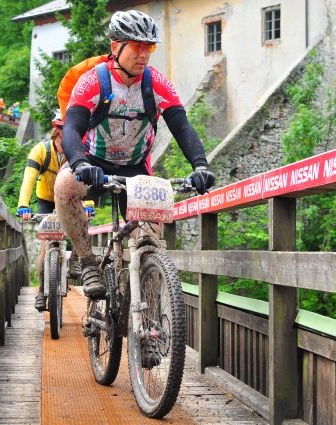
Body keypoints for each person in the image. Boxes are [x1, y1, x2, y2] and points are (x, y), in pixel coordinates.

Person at [54, 10, 216, 299]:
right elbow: (71, 128)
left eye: (149, 47)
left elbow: (182, 126)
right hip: (93, 163)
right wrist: (79, 162)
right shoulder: (93, 81)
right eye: (137, 46)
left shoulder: (156, 83)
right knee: (64, 185)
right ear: (115, 46)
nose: (144, 55)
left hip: (135, 168)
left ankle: (148, 307)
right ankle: (88, 262)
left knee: (149, 241)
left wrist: (201, 165)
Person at [17, 110, 81, 311]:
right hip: (46, 200)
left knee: (79, 228)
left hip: (69, 199)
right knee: (46, 247)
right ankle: (41, 292)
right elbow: (28, 179)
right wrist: (23, 205)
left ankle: (76, 260)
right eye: (63, 128)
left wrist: (88, 204)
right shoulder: (41, 151)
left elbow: (85, 180)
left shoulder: (77, 152)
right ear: (57, 129)